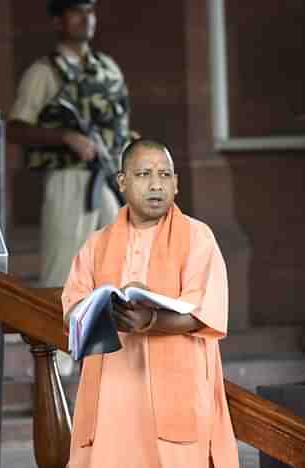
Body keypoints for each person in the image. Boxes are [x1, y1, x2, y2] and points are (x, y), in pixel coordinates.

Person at [61, 139, 240, 468]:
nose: (156, 184)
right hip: (112, 392)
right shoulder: (97, 244)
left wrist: (150, 320)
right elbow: (73, 310)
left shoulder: (197, 237)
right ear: (122, 182)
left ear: (177, 183)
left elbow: (206, 312)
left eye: (165, 174)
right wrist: (103, 311)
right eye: (143, 174)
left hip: (176, 391)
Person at [7, 0, 133, 288]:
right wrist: (65, 137)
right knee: (63, 271)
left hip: (109, 176)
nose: (85, 18)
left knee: (115, 268)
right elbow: (16, 128)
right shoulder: (43, 72)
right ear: (57, 21)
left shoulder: (107, 69)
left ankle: (103, 330)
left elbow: (121, 124)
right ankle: (55, 331)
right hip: (69, 178)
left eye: (89, 11)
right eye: (76, 11)